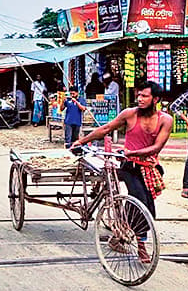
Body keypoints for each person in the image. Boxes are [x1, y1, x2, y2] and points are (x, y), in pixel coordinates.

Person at [72, 81, 172, 262]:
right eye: (139, 95)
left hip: (149, 166)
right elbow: (106, 128)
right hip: (129, 166)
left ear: (155, 99)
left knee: (148, 208)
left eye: (145, 96)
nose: (140, 99)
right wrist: (82, 141)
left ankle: (122, 234)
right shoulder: (129, 114)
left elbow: (156, 147)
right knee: (138, 200)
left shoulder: (166, 120)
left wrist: (132, 152)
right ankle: (140, 247)